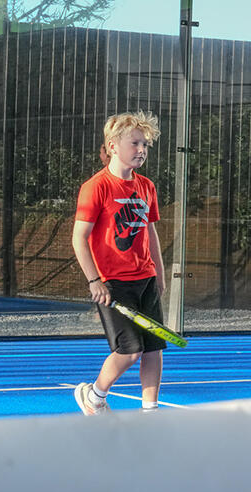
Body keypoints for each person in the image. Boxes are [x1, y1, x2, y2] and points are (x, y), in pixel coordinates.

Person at [72, 111, 166, 415]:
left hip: (146, 279)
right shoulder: (96, 187)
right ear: (113, 146)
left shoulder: (146, 187)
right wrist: (94, 280)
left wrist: (160, 276)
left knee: (153, 348)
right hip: (113, 284)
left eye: (145, 145)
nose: (141, 150)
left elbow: (150, 233)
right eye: (135, 143)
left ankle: (150, 411)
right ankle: (95, 397)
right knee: (130, 351)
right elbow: (79, 238)